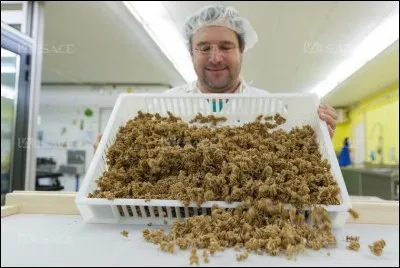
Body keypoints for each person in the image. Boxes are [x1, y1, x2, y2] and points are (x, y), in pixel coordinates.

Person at [94, 5, 337, 151]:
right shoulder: (162, 108)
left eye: (226, 46)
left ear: (242, 50)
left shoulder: (273, 109)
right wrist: (111, 152)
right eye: (204, 47)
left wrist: (317, 138)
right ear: (191, 53)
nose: (215, 57)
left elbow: (298, 170)